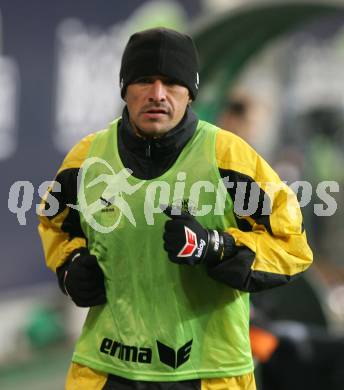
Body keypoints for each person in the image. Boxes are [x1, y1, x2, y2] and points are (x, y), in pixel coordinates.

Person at [38, 27, 313, 390]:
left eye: (171, 82)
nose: (157, 94)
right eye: (144, 81)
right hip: (108, 369)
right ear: (124, 88)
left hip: (208, 371)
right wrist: (70, 264)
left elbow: (292, 247)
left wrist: (216, 247)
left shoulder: (230, 158)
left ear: (190, 92)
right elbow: (55, 224)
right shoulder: (86, 159)